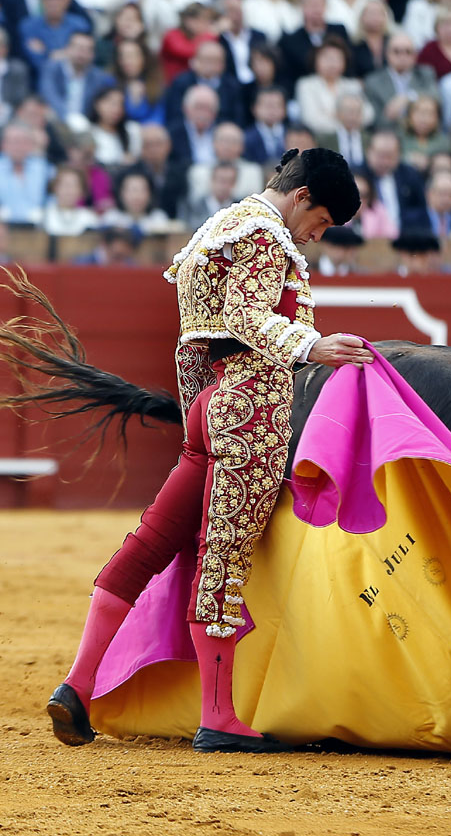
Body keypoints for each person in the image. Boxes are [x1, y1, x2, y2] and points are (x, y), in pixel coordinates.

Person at [46, 147, 372, 754]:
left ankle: (78, 685)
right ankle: (219, 717)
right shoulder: (267, 235)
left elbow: (191, 341)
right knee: (221, 560)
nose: (316, 235)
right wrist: (312, 346)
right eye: (322, 221)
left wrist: (201, 413)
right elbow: (248, 316)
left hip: (212, 405)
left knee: (148, 544)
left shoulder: (218, 227)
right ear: (302, 196)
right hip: (252, 410)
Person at [364, 31, 440, 126]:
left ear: (415, 55)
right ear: (387, 54)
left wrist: (408, 97)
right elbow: (375, 119)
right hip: (389, 131)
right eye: (396, 51)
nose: (402, 56)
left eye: (408, 52)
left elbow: (435, 96)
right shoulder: (373, 81)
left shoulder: (425, 74)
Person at [417, 2, 451, 80]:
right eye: (444, 24)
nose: (449, 29)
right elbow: (422, 79)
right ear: (436, 27)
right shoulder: (428, 50)